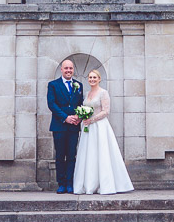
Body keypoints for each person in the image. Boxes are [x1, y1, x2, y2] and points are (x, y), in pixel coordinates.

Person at [72, 69, 134, 195]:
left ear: (99, 79)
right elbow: (85, 108)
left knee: (101, 153)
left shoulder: (103, 93)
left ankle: (104, 184)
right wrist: (82, 117)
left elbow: (106, 111)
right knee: (89, 154)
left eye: (94, 77)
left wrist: (92, 119)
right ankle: (89, 184)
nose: (92, 79)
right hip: (88, 129)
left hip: (99, 127)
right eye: (90, 77)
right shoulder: (87, 93)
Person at [46, 58, 83, 193]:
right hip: (59, 126)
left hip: (73, 126)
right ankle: (61, 183)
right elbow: (52, 104)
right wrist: (65, 117)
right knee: (60, 155)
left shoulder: (79, 85)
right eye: (66, 68)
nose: (68, 70)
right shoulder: (53, 85)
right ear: (61, 70)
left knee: (72, 155)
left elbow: (80, 104)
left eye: (71, 68)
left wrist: (79, 117)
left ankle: (70, 183)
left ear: (73, 70)